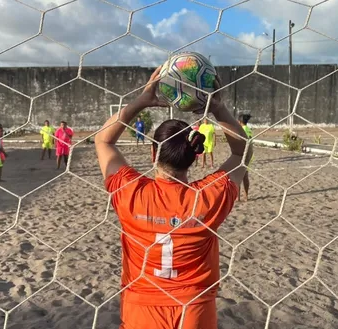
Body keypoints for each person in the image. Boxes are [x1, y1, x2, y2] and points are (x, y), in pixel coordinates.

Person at [94, 66, 252, 329]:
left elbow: (103, 142)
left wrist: (141, 101)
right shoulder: (208, 197)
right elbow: (242, 153)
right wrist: (218, 108)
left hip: (141, 307)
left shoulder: (130, 192)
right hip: (195, 307)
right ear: (196, 155)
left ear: (153, 154)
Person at [238, 113, 253, 202]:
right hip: (249, 155)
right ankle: (246, 196)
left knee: (238, 176)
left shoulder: (241, 130)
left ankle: (238, 197)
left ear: (239, 122)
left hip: (242, 154)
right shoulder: (249, 129)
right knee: (245, 176)